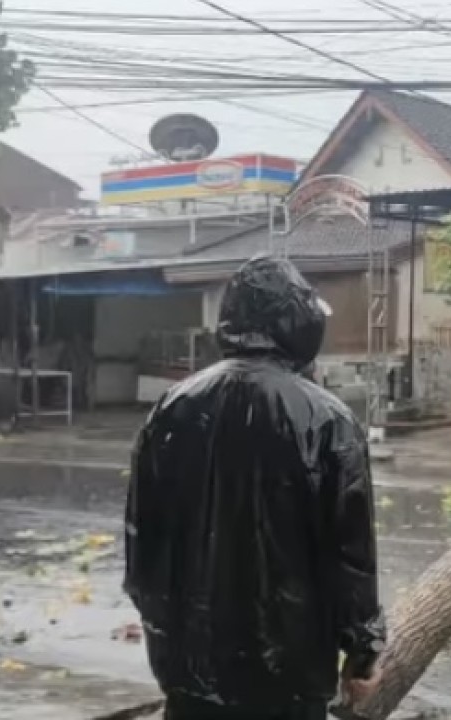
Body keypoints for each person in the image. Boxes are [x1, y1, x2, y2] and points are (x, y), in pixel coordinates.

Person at [124, 256, 387, 720]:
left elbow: (142, 542)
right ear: (298, 323)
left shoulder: (171, 409)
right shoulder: (329, 420)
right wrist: (362, 652)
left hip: (190, 670)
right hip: (290, 675)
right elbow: (350, 556)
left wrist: (164, 634)